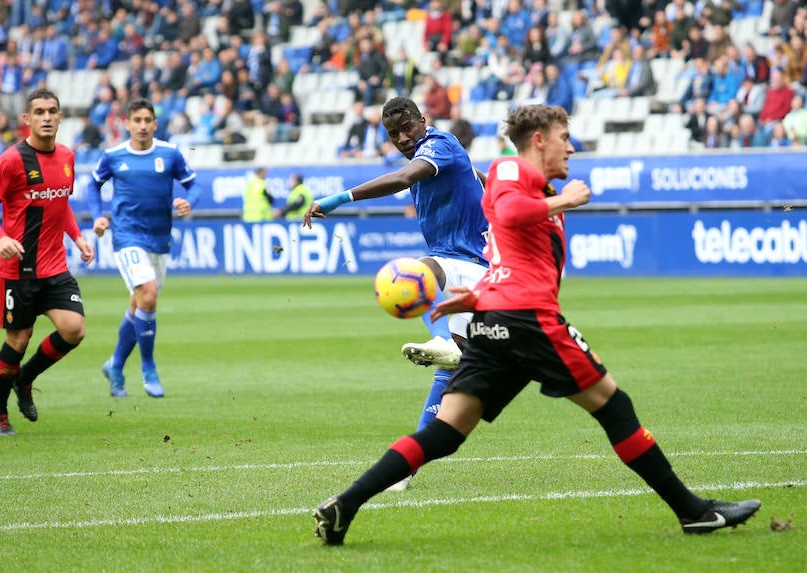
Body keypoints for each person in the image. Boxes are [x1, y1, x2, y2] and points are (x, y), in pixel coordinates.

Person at [312, 104, 762, 546]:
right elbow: (506, 213)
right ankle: (696, 513)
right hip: (530, 320)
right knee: (614, 406)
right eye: (564, 138)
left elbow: (506, 249)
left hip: (498, 314)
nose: (571, 147)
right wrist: (562, 201)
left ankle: (344, 505)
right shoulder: (512, 172)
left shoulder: (533, 185)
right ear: (540, 140)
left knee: (445, 433)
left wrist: (479, 296)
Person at [304, 96, 489, 491]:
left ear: (423, 121)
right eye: (393, 134)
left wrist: (340, 198)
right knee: (449, 376)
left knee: (417, 272)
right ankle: (408, 467)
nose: (403, 138)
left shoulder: (438, 144)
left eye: (408, 128)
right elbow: (480, 179)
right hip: (468, 267)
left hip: (474, 263)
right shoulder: (442, 153)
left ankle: (441, 339)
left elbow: (405, 179)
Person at [0, 88, 95, 436]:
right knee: (19, 340)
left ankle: (25, 378)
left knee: (74, 329)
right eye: (39, 111)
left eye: (52, 111)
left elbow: (61, 203)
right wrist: (1, 239)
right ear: (26, 119)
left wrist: (78, 237)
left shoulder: (68, 157)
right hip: (18, 271)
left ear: (60, 117)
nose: (46, 117)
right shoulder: (12, 160)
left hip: (55, 267)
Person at [87, 98, 203, 398]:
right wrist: (98, 216)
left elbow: (195, 185)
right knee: (148, 295)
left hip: (160, 239)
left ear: (154, 124)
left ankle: (114, 365)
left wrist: (190, 202)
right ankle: (148, 367)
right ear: (127, 123)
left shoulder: (169, 154)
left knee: (139, 304)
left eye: (147, 120)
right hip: (126, 237)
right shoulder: (113, 156)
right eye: (136, 120)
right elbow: (92, 185)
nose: (142, 125)